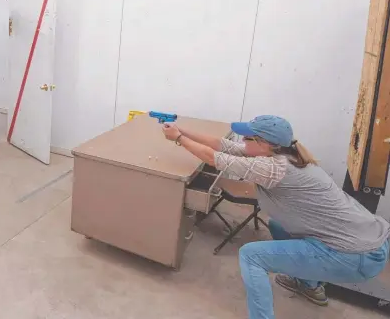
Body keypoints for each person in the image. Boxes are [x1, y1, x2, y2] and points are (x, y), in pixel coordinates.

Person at [162, 115, 390, 319]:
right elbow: (222, 145)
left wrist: (179, 138)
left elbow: (214, 158)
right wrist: (182, 129)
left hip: (355, 255)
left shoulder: (273, 167)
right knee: (277, 225)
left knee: (251, 256)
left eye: (247, 137)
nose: (242, 140)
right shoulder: (284, 153)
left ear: (263, 144)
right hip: (365, 240)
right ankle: (310, 287)